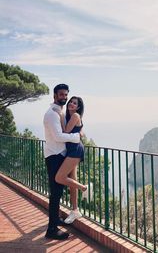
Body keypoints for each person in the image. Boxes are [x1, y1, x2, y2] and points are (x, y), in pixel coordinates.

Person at [43, 84, 81, 240]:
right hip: (54, 156)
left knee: (57, 191)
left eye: (66, 95)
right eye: (61, 94)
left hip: (59, 154)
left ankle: (55, 220)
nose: (64, 97)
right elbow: (59, 136)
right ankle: (52, 229)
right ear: (54, 95)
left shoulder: (59, 112)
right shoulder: (52, 114)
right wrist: (75, 137)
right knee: (55, 191)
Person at [54, 96, 88, 224]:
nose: (72, 104)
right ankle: (75, 210)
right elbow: (78, 130)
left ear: (78, 107)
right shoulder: (72, 116)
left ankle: (84, 188)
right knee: (71, 180)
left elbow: (65, 131)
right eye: (71, 102)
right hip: (71, 150)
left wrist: (60, 116)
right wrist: (80, 132)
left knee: (59, 177)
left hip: (75, 150)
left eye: (75, 103)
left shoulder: (75, 116)